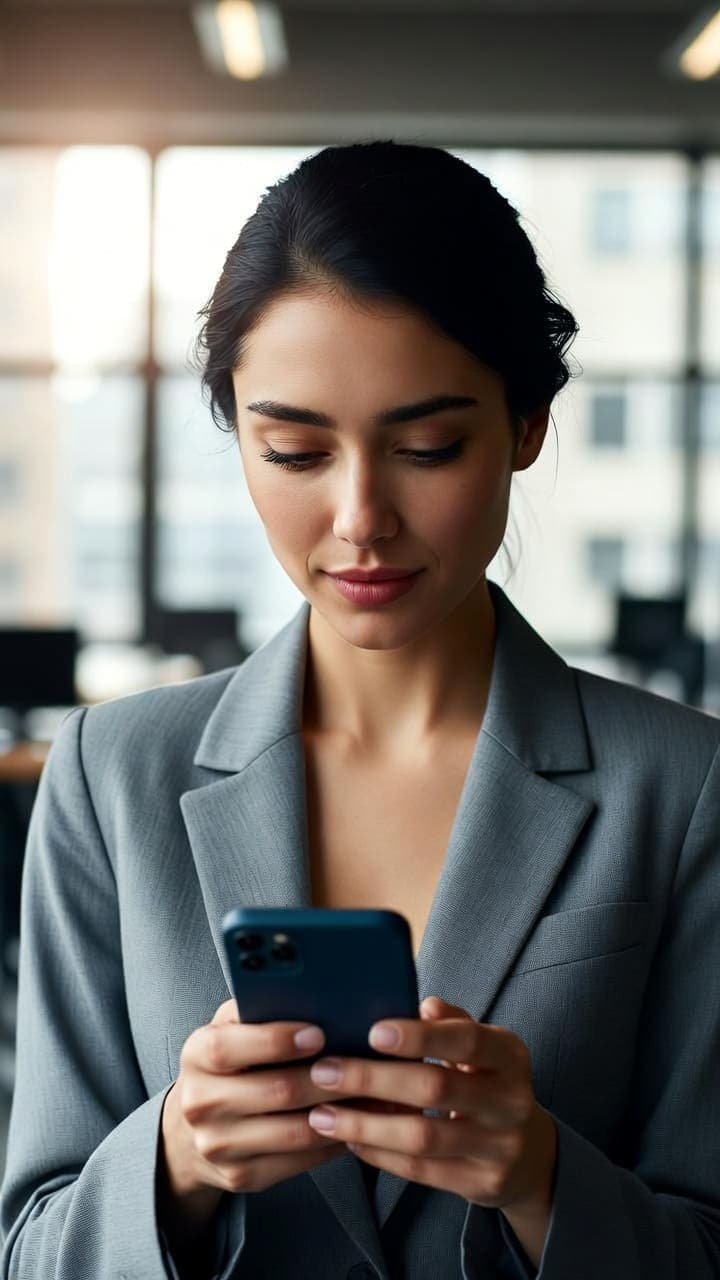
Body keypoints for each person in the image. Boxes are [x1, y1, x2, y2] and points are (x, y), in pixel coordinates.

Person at [1, 139, 719, 1280]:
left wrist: (538, 1177)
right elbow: (29, 1246)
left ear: (527, 423)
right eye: (294, 449)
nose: (359, 518)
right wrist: (177, 1159)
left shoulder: (682, 787)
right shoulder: (110, 775)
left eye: (427, 446)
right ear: (237, 433)